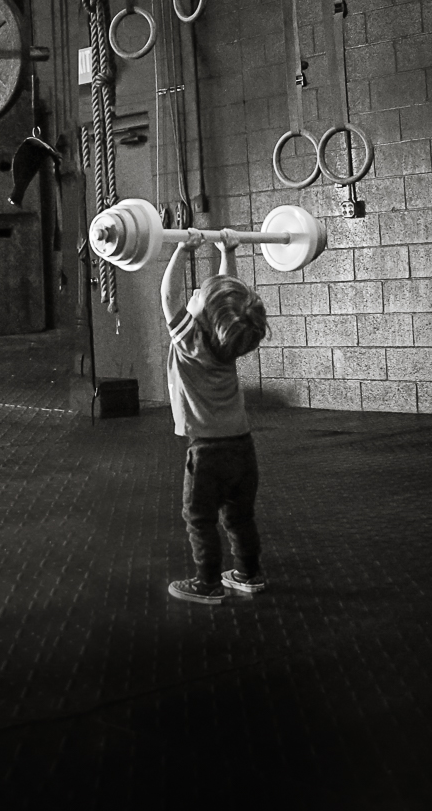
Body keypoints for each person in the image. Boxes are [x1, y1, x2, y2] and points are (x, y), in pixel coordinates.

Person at [160, 236, 271, 603]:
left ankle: (206, 583)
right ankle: (248, 574)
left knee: (199, 518)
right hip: (242, 446)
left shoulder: (190, 342)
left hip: (207, 452)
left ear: (203, 317)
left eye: (198, 295)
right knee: (239, 517)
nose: (192, 292)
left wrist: (181, 250)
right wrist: (228, 252)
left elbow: (168, 297)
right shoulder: (228, 341)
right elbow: (231, 300)